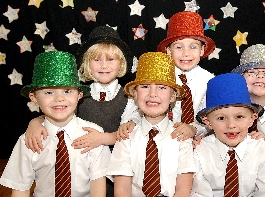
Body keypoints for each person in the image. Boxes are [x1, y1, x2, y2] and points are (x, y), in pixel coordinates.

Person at [23, 26, 140, 196]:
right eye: (97, 60)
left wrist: (102, 138)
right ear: (86, 63)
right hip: (81, 170)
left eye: (111, 59)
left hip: (120, 173)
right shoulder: (76, 94)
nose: (104, 65)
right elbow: (58, 113)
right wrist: (35, 122)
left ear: (122, 63)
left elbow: (133, 131)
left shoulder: (130, 97)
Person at [0, 51, 111, 197]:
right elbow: (21, 187)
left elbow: (98, 182)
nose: (59, 98)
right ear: (34, 98)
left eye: (67, 91)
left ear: (79, 95)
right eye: (49, 92)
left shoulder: (94, 133)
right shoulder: (28, 140)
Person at [106, 52, 196, 197]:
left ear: (173, 96)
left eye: (161, 87)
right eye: (145, 86)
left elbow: (183, 190)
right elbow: (122, 190)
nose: (153, 94)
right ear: (135, 94)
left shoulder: (181, 137)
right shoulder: (126, 137)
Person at [117, 11, 216, 142]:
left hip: (196, 142)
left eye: (193, 47)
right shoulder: (157, 73)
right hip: (158, 140)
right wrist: (132, 121)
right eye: (179, 47)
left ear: (202, 50)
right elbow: (134, 106)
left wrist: (195, 128)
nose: (186, 53)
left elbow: (213, 117)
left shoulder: (209, 81)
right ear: (169, 51)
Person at [191, 73, 265, 196]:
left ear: (252, 119)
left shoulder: (263, 151)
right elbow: (198, 193)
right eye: (221, 118)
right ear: (208, 122)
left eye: (239, 117)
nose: (231, 125)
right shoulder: (200, 152)